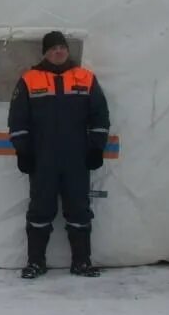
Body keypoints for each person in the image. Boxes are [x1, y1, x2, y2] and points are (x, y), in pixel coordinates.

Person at [8, 31, 110, 279]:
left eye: (62, 47)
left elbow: (100, 115)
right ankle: (35, 262)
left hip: (77, 158)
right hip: (42, 159)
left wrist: (97, 148)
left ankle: (81, 262)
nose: (58, 52)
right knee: (40, 210)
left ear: (67, 50)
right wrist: (23, 153)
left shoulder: (85, 78)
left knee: (79, 210)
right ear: (45, 52)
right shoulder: (29, 80)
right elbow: (17, 120)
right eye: (53, 48)